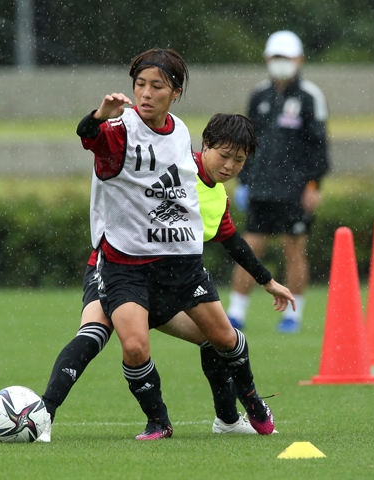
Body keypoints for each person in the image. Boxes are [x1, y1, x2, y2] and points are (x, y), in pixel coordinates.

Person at [73, 47, 291, 440]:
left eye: (238, 162)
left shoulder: (214, 190)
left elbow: (231, 241)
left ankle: (236, 413)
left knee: (222, 339)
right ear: (204, 147)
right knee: (109, 341)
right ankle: (152, 420)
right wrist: (98, 119)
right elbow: (94, 141)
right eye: (224, 156)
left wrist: (267, 280)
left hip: (178, 276)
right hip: (128, 270)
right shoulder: (168, 156)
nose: (228, 167)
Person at [226, 30, 330, 334]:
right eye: (276, 58)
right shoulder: (258, 95)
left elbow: (319, 146)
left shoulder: (311, 96)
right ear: (267, 60)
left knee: (293, 249)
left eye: (286, 57)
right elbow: (245, 142)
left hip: (296, 191)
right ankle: (236, 313)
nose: (281, 63)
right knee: (250, 247)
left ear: (299, 60)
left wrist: (314, 186)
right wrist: (243, 181)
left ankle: (292, 317)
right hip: (260, 188)